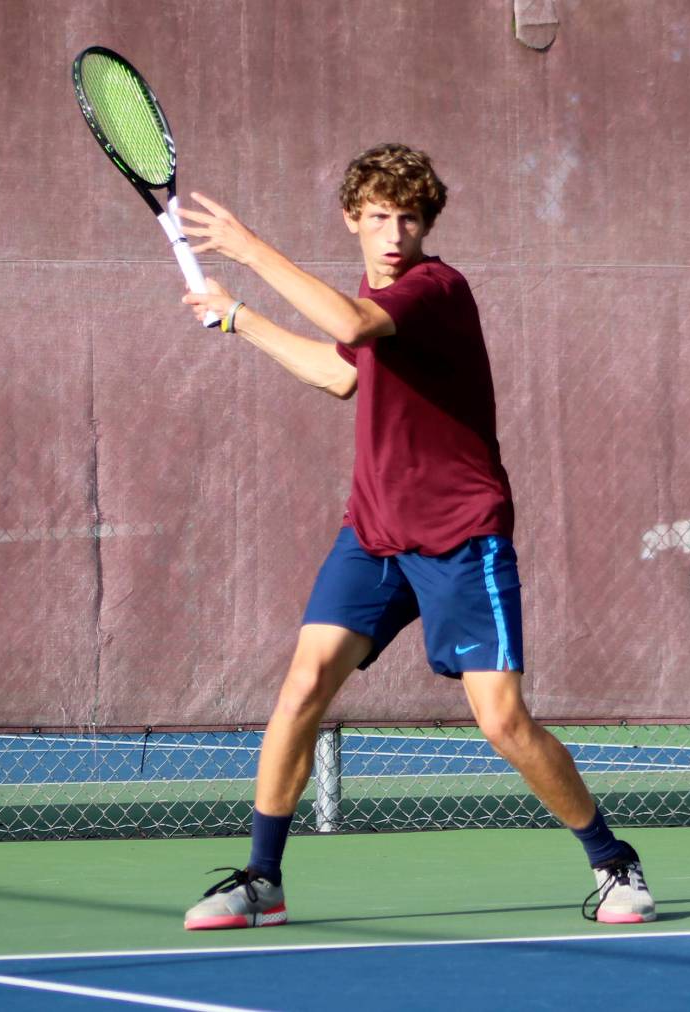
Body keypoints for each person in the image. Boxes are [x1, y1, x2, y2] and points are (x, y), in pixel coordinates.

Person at [178, 143, 655, 929]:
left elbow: (352, 324)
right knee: (303, 687)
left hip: (461, 535)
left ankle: (613, 861)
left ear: (427, 224)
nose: (392, 232)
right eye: (376, 217)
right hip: (373, 533)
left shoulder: (434, 289)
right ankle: (263, 880)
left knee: (501, 720)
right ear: (352, 221)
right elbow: (340, 373)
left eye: (407, 217)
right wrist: (239, 318)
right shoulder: (374, 297)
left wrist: (248, 245)